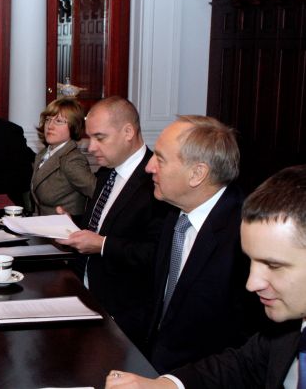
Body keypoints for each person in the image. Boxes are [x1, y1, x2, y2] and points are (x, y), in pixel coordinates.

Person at [105, 164, 306, 389]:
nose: (251, 284)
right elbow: (241, 366)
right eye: (252, 261)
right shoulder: (287, 332)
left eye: (273, 265)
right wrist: (166, 386)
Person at [141, 115, 263, 372]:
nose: (149, 167)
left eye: (160, 159)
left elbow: (247, 344)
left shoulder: (245, 235)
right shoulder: (175, 213)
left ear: (197, 174)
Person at [59, 96, 169, 346]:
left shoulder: (156, 182)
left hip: (124, 317)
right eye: (89, 138)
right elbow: (102, 224)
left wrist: (103, 245)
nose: (90, 147)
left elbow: (157, 253)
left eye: (100, 137)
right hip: (85, 296)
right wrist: (71, 223)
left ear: (128, 132)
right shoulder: (106, 173)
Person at [30, 98, 95, 219]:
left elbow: (99, 194)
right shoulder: (43, 154)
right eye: (48, 119)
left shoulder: (72, 160)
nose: (50, 126)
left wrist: (84, 222)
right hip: (45, 227)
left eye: (58, 121)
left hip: (65, 228)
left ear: (73, 126)